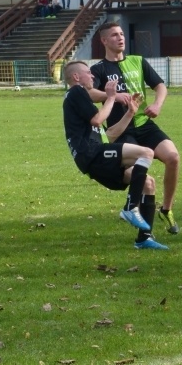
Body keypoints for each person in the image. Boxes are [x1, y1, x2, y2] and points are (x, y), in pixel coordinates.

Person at [89, 23, 182, 237]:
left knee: (173, 157)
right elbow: (90, 93)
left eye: (121, 34)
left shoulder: (137, 61)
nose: (120, 38)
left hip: (143, 124)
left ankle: (166, 209)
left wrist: (157, 104)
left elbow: (160, 86)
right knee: (142, 176)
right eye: (114, 35)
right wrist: (110, 96)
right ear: (104, 41)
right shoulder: (99, 69)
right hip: (120, 129)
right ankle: (134, 214)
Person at [62, 61, 167, 250]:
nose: (93, 76)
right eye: (88, 73)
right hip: (91, 155)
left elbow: (108, 135)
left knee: (148, 183)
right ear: (76, 77)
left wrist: (130, 113)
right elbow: (97, 119)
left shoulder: (78, 100)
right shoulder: (77, 92)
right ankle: (130, 207)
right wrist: (111, 97)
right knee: (146, 152)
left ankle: (144, 238)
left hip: (95, 158)